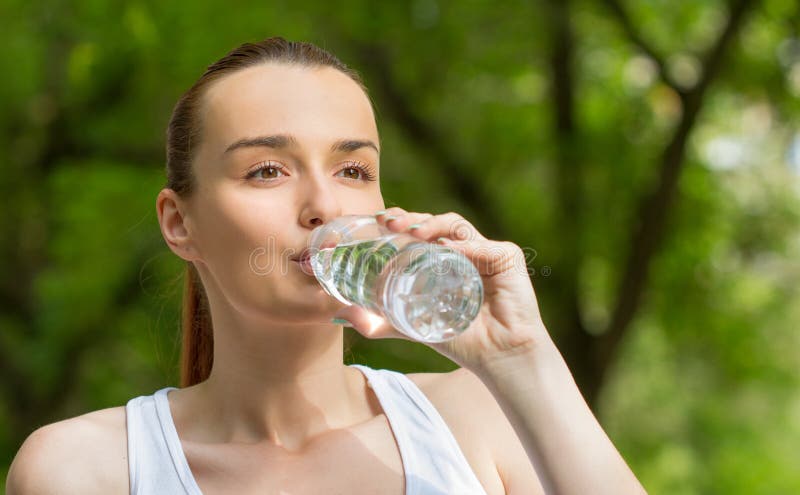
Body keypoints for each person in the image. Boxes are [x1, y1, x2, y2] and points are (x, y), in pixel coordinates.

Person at [6, 36, 647, 495]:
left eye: (352, 170)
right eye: (267, 170)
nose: (323, 205)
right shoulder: (86, 468)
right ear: (180, 224)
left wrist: (521, 359)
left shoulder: (476, 421)